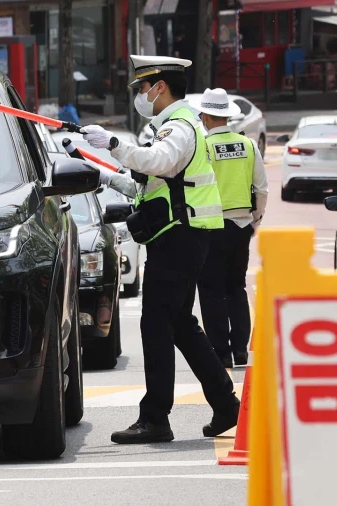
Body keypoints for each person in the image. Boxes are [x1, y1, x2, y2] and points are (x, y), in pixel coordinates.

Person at [82, 55, 241, 445]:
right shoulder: (169, 126)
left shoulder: (181, 126)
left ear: (160, 87)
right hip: (178, 236)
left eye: (142, 88)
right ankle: (225, 403)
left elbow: (162, 163)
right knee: (180, 325)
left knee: (155, 324)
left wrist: (114, 143)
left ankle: (155, 418)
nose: (139, 95)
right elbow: (147, 184)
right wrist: (103, 172)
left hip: (180, 238)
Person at [189, 88, 267, 369]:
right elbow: (261, 188)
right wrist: (255, 220)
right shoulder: (248, 145)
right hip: (241, 226)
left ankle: (220, 352)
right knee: (236, 287)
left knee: (210, 289)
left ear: (208, 116)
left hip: (209, 227)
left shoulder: (203, 147)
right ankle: (241, 350)